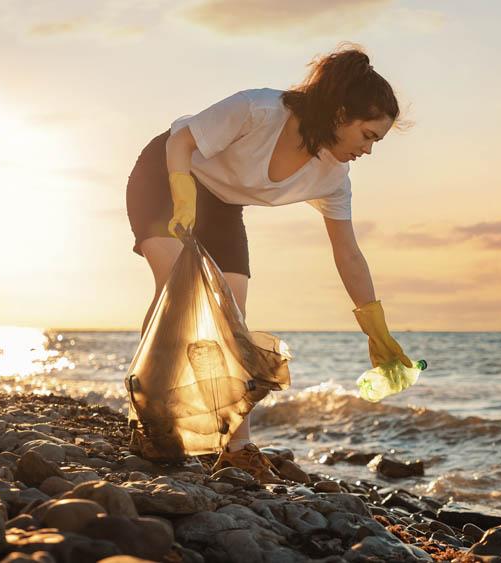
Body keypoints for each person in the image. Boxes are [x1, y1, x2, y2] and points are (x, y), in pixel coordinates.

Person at [125, 45, 414, 482]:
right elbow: (182, 142)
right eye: (368, 136)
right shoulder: (258, 109)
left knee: (233, 324)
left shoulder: (333, 175)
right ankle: (151, 414)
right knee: (180, 292)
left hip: (223, 207)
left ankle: (235, 446)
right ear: (340, 114)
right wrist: (183, 196)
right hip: (167, 175)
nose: (369, 151)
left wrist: (375, 328)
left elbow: (348, 252)